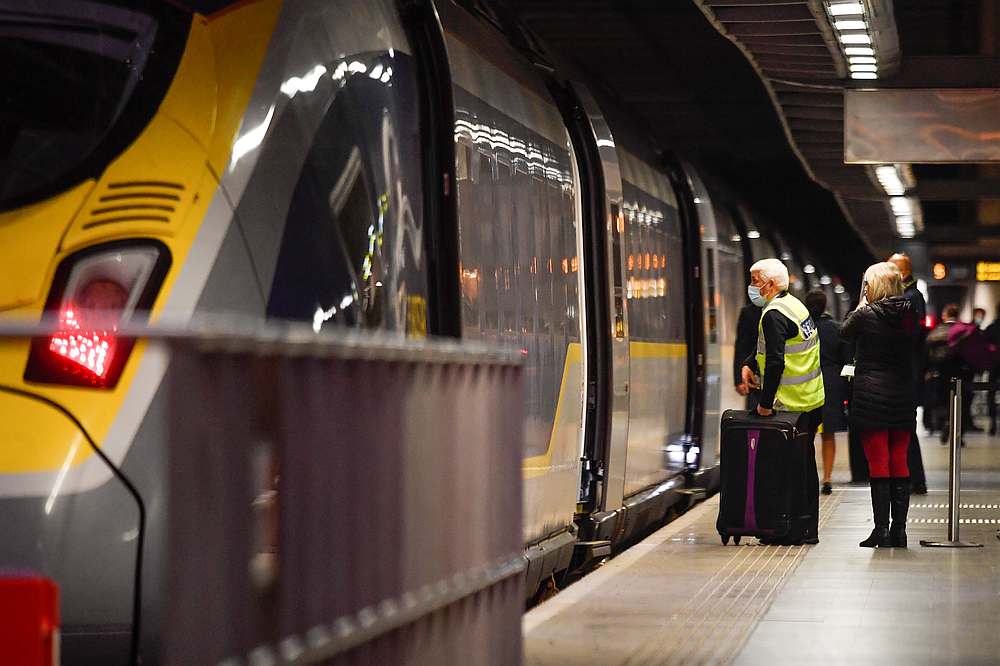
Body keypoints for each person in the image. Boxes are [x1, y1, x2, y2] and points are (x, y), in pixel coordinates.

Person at [739, 258, 825, 544]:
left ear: (771, 283)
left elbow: (775, 361)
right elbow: (774, 348)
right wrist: (750, 362)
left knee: (790, 470)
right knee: (803, 467)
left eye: (754, 280)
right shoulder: (795, 306)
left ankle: (790, 530)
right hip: (810, 401)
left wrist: (764, 404)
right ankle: (805, 528)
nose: (752, 287)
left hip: (791, 406)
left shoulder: (773, 314)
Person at [841, 262, 917, 548]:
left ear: (872, 287)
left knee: (878, 463)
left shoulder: (866, 314)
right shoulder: (911, 315)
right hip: (902, 394)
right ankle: (900, 531)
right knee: (899, 459)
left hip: (871, 396)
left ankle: (881, 531)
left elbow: (844, 332)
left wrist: (860, 306)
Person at [887, 253, 928, 494]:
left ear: (901, 271)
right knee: (904, 428)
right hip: (907, 371)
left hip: (907, 373)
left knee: (905, 428)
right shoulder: (909, 295)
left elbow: (909, 337)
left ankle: (915, 479)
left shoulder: (911, 297)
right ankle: (912, 478)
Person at [805, 289, 850, 495]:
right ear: (825, 306)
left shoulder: (802, 328)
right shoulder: (836, 329)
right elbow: (845, 359)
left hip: (806, 382)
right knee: (828, 433)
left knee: (807, 433)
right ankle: (827, 478)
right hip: (831, 383)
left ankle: (807, 477)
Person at [926, 303, 974, 439]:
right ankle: (960, 432)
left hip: (942, 370)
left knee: (944, 399)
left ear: (945, 315)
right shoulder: (963, 330)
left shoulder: (938, 330)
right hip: (962, 370)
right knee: (962, 400)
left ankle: (946, 422)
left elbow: (928, 348)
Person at [734, 302, 763, 409]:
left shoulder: (783, 310)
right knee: (754, 415)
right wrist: (739, 379)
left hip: (780, 379)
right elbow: (741, 347)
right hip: (753, 377)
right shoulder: (748, 313)